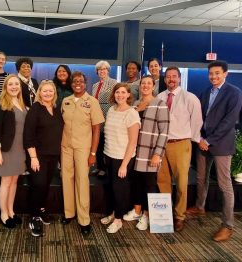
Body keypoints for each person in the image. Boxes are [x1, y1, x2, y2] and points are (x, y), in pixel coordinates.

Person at [186, 60, 242, 242]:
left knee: (224, 185)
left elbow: (229, 121)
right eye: (211, 73)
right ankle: (200, 207)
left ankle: (228, 225)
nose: (213, 76)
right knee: (201, 178)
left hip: (220, 144)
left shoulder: (234, 93)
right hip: (203, 142)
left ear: (225, 74)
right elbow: (200, 117)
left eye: (217, 73)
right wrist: (200, 138)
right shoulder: (206, 92)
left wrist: (209, 141)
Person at [156, 66, 203, 232]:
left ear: (180, 78)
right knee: (162, 182)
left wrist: (192, 141)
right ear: (164, 80)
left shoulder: (190, 98)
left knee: (182, 183)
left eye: (174, 76)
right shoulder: (159, 97)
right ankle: (164, 216)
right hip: (161, 144)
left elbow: (197, 122)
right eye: (168, 77)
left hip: (181, 143)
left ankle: (179, 216)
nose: (171, 79)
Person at [60, 71, 105, 235]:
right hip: (66, 146)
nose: (77, 83)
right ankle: (69, 213)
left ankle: (84, 219)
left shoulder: (92, 102)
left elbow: (96, 130)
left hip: (83, 148)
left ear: (85, 83)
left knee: (82, 181)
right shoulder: (66, 101)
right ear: (71, 84)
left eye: (80, 81)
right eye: (74, 81)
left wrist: (93, 153)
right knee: (66, 178)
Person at [123, 75, 169, 231]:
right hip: (135, 151)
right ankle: (136, 211)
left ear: (154, 86)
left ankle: (147, 215)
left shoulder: (160, 104)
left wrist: (158, 154)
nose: (145, 86)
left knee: (149, 185)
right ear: (139, 86)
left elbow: (164, 132)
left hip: (150, 153)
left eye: (149, 83)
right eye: (143, 83)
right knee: (136, 183)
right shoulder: (136, 104)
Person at [24, 80, 64, 237]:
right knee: (38, 184)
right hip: (37, 155)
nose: (48, 93)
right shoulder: (35, 109)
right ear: (39, 92)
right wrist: (33, 157)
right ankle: (33, 217)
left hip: (53, 155)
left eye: (51, 91)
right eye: (45, 91)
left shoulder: (56, 108)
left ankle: (41, 209)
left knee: (45, 185)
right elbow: (28, 135)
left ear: (54, 93)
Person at [100, 83, 140, 234]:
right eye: (117, 92)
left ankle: (118, 219)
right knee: (111, 188)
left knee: (120, 190)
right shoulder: (111, 109)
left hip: (123, 158)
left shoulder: (132, 113)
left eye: (123, 92)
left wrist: (124, 165)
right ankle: (112, 213)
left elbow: (132, 142)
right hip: (109, 155)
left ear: (129, 95)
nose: (120, 95)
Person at [0, 74, 27, 228]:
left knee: (14, 181)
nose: (14, 87)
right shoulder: (1, 103)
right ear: (5, 87)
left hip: (20, 149)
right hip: (7, 149)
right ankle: (3, 214)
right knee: (6, 182)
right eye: (11, 84)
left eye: (16, 84)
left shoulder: (21, 102)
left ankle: (11, 211)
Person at [91, 60, 117, 175]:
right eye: (100, 69)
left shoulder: (113, 83)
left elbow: (115, 100)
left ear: (108, 71)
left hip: (108, 115)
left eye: (104, 69)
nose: (102, 71)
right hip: (96, 116)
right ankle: (99, 166)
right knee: (98, 143)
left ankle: (106, 169)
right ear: (97, 72)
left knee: (106, 143)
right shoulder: (95, 85)